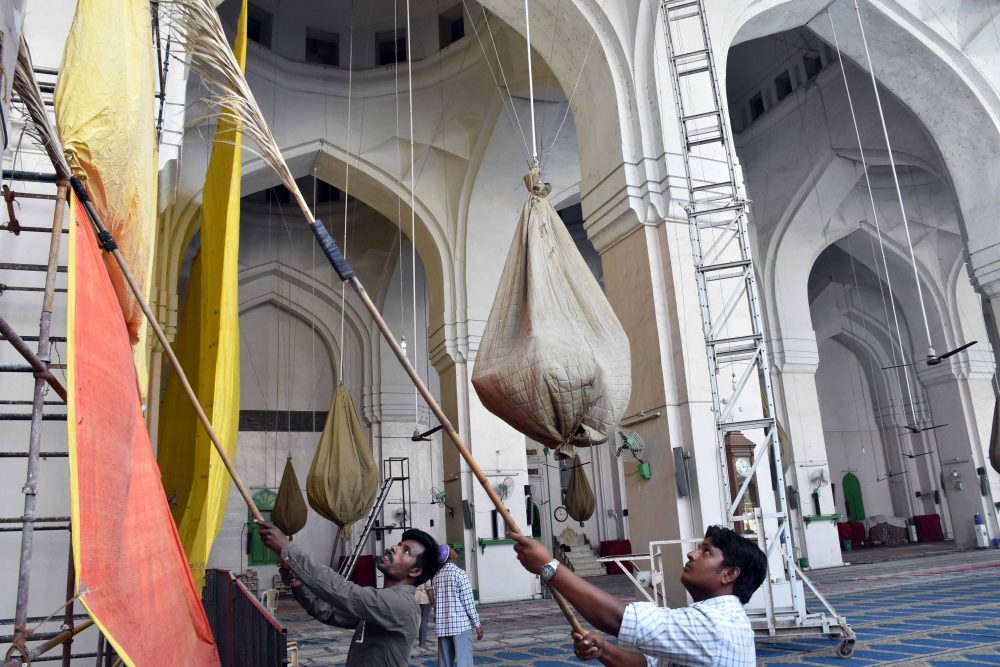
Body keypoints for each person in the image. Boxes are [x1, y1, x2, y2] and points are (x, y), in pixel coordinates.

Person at [511, 525, 767, 666]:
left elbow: (617, 619)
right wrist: (603, 651)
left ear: (730, 574)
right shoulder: (709, 618)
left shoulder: (717, 626)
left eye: (706, 552)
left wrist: (550, 568)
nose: (692, 555)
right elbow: (648, 666)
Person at [257, 521, 441, 667]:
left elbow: (342, 591)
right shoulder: (381, 603)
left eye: (406, 551)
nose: (395, 547)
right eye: (400, 544)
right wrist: (298, 584)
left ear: (415, 572)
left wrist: (287, 548)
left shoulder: (401, 605)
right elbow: (329, 612)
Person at [431, 544, 483, 667]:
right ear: (450, 554)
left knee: (444, 664)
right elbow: (468, 602)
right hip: (460, 626)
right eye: (452, 548)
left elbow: (436, 604)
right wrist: (477, 624)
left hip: (443, 626)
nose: (455, 550)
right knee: (464, 662)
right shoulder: (460, 574)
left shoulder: (436, 578)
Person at [414, 580, 432, 651]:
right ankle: (422, 643)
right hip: (424, 598)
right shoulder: (425, 573)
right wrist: (432, 600)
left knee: (413, 621)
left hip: (412, 598)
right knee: (424, 621)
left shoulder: (410, 571)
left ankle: (410, 643)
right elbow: (428, 588)